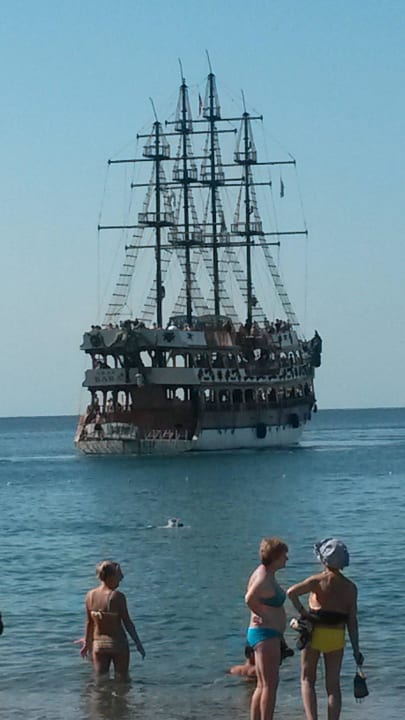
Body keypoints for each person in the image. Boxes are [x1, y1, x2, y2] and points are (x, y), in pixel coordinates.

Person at [287, 538, 364, 720]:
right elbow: (352, 621)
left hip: (314, 632)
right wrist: (356, 649)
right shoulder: (351, 587)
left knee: (307, 679)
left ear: (324, 560)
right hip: (336, 635)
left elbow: (291, 593)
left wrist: (303, 613)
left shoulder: (317, 581)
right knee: (333, 687)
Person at [245, 537, 289, 720]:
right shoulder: (263, 577)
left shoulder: (263, 572)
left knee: (262, 685)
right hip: (265, 635)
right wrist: (261, 615)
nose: (287, 558)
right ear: (276, 557)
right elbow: (249, 598)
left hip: (262, 634)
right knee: (270, 685)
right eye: (284, 555)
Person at [80, 560, 145, 680]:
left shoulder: (90, 595)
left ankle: (99, 693)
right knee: (122, 680)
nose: (122, 578)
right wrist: (138, 643)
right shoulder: (117, 596)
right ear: (111, 577)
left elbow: (89, 622)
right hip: (118, 644)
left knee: (100, 680)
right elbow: (127, 622)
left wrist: (86, 643)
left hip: (99, 646)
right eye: (119, 574)